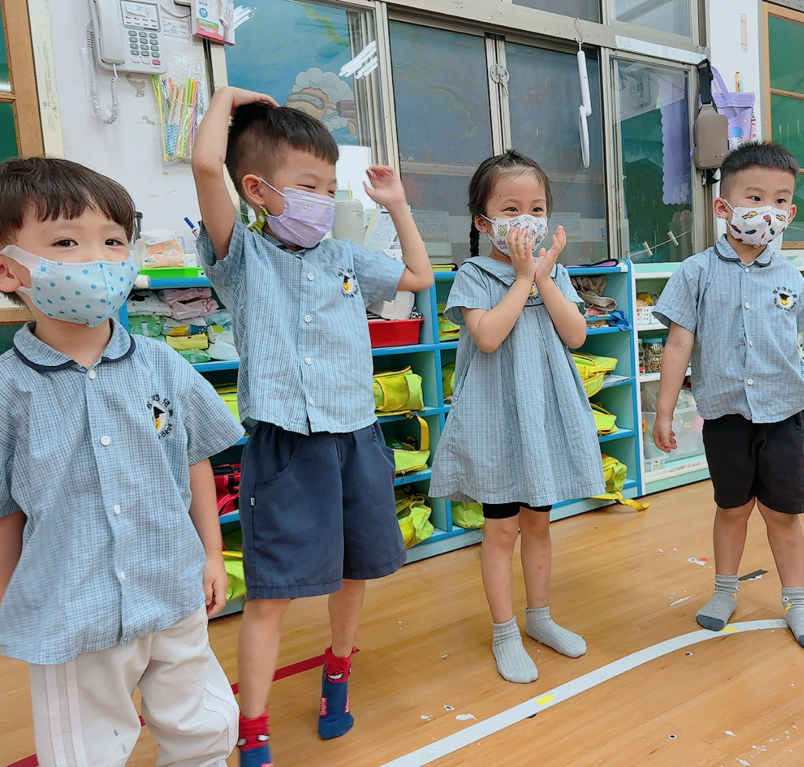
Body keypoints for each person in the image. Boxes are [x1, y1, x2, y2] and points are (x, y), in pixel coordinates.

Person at [192, 87, 433, 765]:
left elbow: (417, 276)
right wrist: (224, 97)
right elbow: (206, 166)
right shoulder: (241, 257)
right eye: (308, 186)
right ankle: (253, 727)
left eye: (329, 188)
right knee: (270, 593)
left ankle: (337, 670)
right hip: (285, 447)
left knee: (354, 571)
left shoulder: (344, 257)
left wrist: (396, 204)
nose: (323, 200)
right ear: (258, 189)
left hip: (356, 437)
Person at [0, 157, 242, 766]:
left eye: (113, 240)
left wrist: (210, 554)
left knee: (204, 727)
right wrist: (18, 605)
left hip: (172, 589)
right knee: (83, 751)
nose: (96, 259)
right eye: (65, 242)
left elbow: (193, 460)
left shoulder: (163, 364)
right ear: (3, 268)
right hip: (71, 611)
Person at [429, 150, 605, 683]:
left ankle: (540, 618)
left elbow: (576, 334)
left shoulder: (556, 273)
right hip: (496, 419)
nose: (527, 219)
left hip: (542, 415)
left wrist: (543, 277)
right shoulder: (474, 274)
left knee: (538, 524)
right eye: (511, 209)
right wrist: (525, 277)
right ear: (484, 223)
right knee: (501, 530)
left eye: (537, 208)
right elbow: (486, 336)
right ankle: (504, 631)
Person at [652, 142, 804, 651]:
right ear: (722, 206)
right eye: (754, 197)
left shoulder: (791, 274)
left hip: (786, 413)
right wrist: (665, 411)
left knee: (783, 514)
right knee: (732, 507)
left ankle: (796, 601)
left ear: (790, 212)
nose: (767, 210)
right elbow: (678, 343)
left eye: (780, 200)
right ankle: (724, 591)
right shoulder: (695, 271)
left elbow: (801, 334)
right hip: (726, 413)